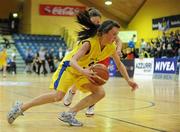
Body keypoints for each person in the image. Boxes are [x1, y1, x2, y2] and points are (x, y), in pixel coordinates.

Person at [7, 20, 138, 127]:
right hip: (70, 68)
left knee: (100, 93)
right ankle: (21, 107)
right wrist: (83, 71)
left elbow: (120, 65)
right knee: (57, 96)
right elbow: (73, 61)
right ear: (104, 33)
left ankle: (69, 113)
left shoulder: (111, 47)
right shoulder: (89, 43)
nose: (116, 38)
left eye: (117, 35)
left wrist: (129, 81)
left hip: (84, 71)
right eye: (114, 34)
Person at [63, 7, 122, 116]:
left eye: (98, 22)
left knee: (97, 80)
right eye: (93, 22)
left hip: (102, 56)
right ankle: (72, 91)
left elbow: (118, 40)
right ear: (88, 21)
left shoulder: (104, 29)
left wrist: (118, 50)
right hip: (88, 57)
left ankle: (91, 105)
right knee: (81, 75)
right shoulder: (85, 34)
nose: (96, 24)